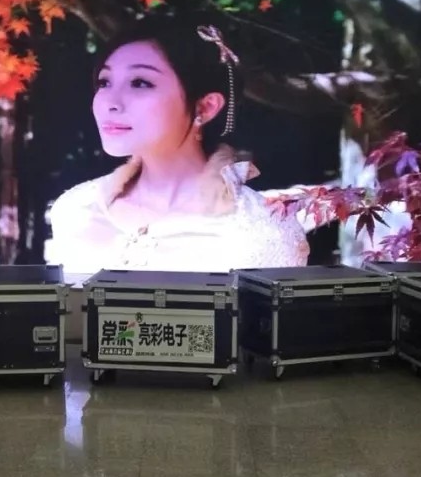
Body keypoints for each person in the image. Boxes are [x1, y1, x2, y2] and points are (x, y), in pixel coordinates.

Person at [44, 17, 309, 281]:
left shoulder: (261, 229)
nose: (110, 103)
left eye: (140, 83)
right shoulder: (77, 209)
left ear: (205, 107)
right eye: (104, 82)